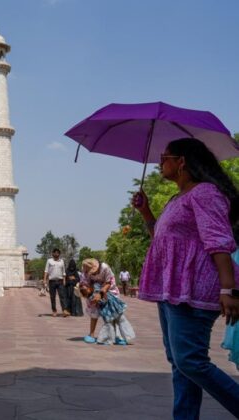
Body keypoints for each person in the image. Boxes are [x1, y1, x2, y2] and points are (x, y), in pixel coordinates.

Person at [133, 138, 239, 418]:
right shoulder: (177, 199)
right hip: (173, 290)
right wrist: (146, 213)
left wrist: (228, 289)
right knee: (179, 363)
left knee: (191, 362)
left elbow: (219, 241)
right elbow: (163, 240)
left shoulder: (205, 193)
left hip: (195, 289)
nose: (160, 163)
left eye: (165, 157)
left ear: (181, 162)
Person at [79, 258, 119, 343]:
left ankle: (116, 336)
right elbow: (84, 283)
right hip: (93, 291)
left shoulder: (105, 267)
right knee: (94, 311)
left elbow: (109, 282)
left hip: (108, 290)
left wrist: (101, 294)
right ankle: (91, 334)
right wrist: (87, 291)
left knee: (112, 313)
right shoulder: (85, 270)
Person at [44, 248, 67, 316]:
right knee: (52, 297)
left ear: (59, 254)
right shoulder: (49, 261)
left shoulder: (62, 261)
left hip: (60, 281)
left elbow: (64, 272)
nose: (56, 254)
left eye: (58, 253)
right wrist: (45, 280)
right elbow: (46, 271)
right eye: (55, 253)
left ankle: (64, 311)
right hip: (52, 281)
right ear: (52, 254)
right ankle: (54, 310)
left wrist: (64, 280)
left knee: (62, 296)